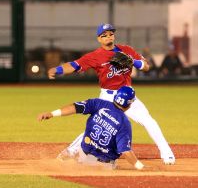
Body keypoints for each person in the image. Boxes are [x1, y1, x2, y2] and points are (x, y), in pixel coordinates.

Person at [47, 23, 175, 165]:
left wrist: (133, 61)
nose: (108, 37)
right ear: (99, 39)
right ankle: (70, 151)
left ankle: (167, 154)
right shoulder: (95, 56)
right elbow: (75, 65)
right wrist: (57, 70)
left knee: (148, 121)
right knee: (99, 124)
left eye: (110, 34)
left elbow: (146, 66)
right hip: (108, 97)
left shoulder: (126, 50)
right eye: (104, 35)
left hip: (128, 96)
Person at [38, 86, 145, 170]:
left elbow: (75, 107)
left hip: (82, 157)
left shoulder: (99, 103)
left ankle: (66, 155)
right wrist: (140, 166)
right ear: (129, 104)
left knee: (87, 132)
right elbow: (126, 151)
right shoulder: (125, 123)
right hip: (104, 167)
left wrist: (52, 113)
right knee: (115, 146)